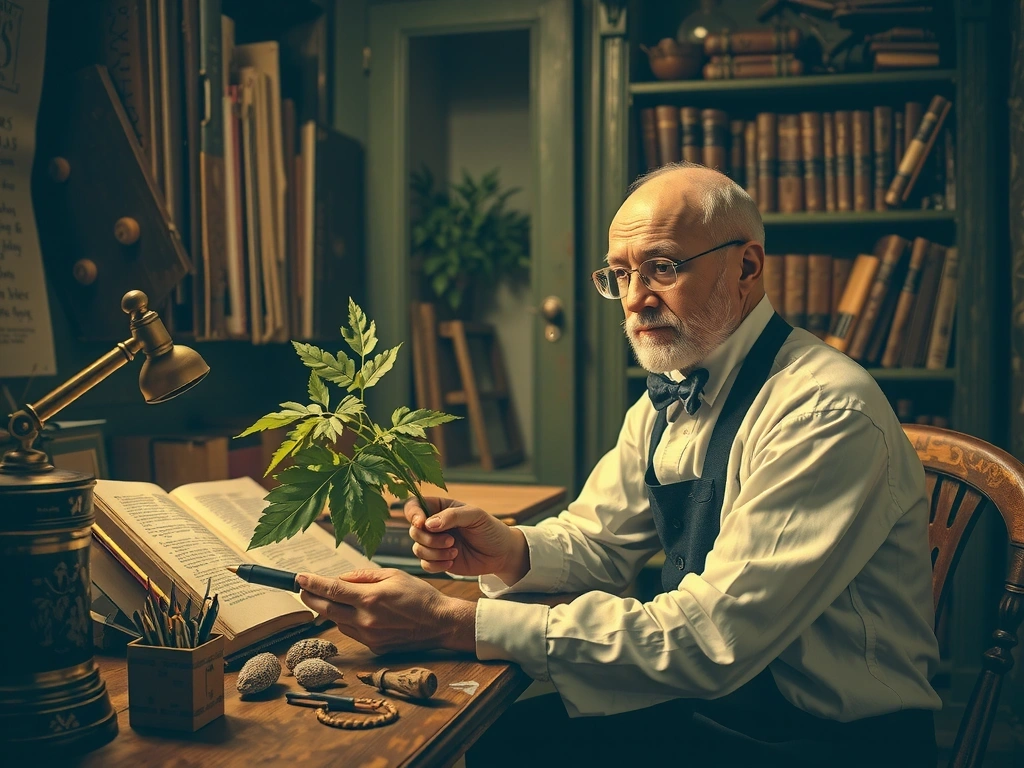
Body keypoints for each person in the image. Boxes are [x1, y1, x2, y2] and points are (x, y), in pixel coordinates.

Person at [296, 163, 942, 767]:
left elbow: (709, 640)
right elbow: (599, 540)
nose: (635, 298)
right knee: (489, 745)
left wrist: (454, 622)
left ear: (747, 267)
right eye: (619, 275)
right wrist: (510, 550)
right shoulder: (672, 390)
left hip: (824, 742)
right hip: (716, 706)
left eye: (662, 267)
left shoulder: (823, 410)